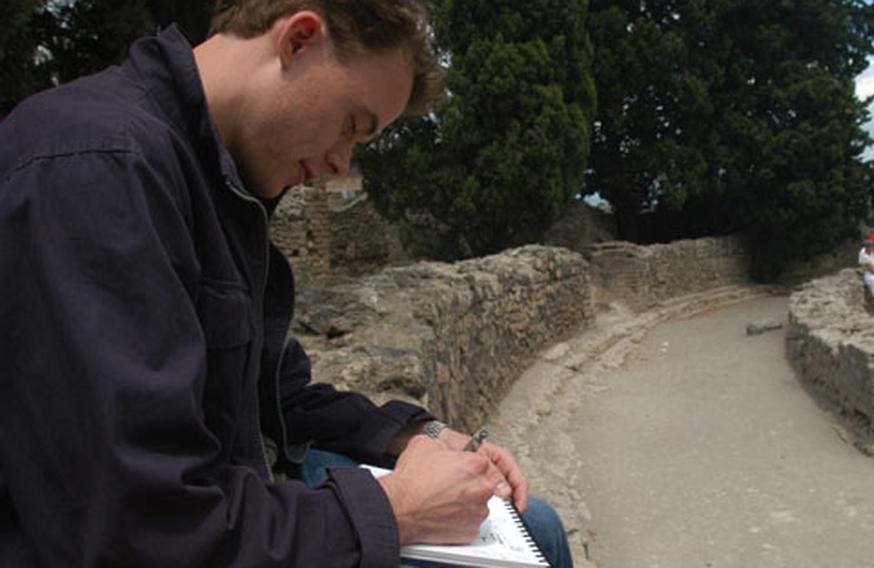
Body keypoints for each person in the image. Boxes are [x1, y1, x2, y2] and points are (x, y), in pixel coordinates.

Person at [0, 1, 572, 566]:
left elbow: (274, 395)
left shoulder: (218, 176)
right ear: (298, 39)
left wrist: (417, 435)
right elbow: (141, 527)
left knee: (530, 523)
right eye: (352, 126)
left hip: (238, 493)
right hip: (186, 530)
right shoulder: (98, 169)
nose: (341, 166)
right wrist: (399, 507)